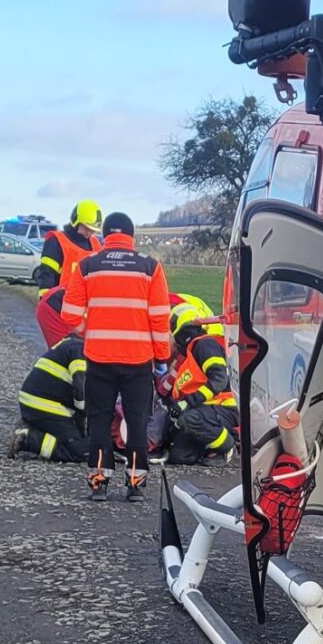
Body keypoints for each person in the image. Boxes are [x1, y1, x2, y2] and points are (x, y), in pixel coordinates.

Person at [60, 211, 171, 501]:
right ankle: (135, 486)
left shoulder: (87, 266)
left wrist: (91, 330)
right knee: (136, 422)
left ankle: (99, 483)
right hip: (138, 361)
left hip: (99, 358)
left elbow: (69, 314)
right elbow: (159, 318)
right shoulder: (150, 268)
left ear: (104, 235)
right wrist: (162, 358)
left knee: (98, 421)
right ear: (131, 237)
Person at [165, 302, 238, 467]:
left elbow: (219, 380)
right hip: (205, 411)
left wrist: (187, 403)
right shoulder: (191, 354)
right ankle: (210, 444)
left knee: (189, 420)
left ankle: (228, 446)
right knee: (180, 455)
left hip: (224, 408)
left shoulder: (205, 345)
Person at [8, 335, 90, 463]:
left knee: (82, 438)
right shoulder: (80, 350)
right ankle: (28, 439)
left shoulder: (73, 344)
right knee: (81, 451)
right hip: (45, 405)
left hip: (36, 401)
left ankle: (34, 427)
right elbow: (81, 391)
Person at [35, 200, 103, 347]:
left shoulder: (97, 245)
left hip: (85, 316)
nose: (89, 233)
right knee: (65, 354)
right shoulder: (57, 241)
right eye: (86, 228)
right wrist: (48, 307)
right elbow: (46, 275)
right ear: (76, 221)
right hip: (60, 310)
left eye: (93, 230)